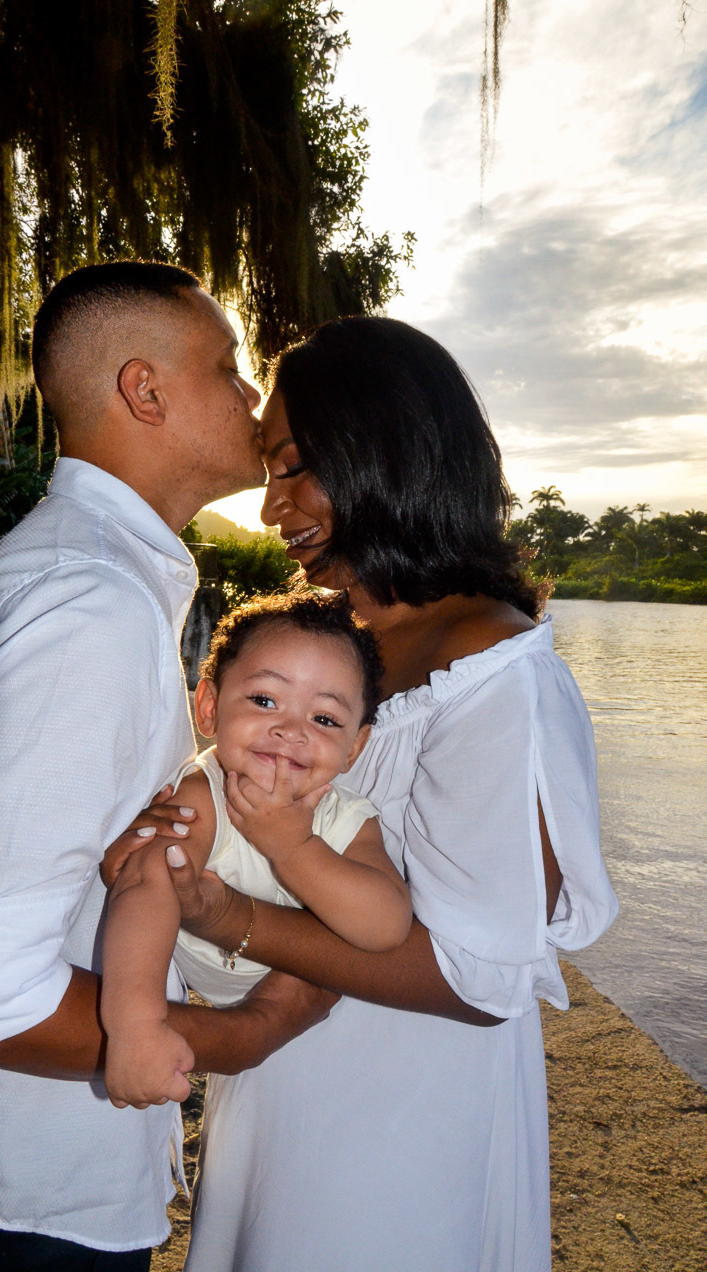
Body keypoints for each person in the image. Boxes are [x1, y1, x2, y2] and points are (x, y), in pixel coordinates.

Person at [0, 262, 334, 1270]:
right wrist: (232, 1037)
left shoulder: (96, 577)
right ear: (145, 390)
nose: (251, 396)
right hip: (10, 1200)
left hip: (18, 1181)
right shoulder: (90, 606)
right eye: (227, 365)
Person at [159, 317, 620, 1272]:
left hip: (399, 1129)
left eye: (293, 466)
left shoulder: (495, 673)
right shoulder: (334, 643)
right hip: (283, 1088)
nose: (272, 507)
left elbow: (478, 977)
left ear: (385, 450)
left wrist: (232, 918)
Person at [100, 590, 411, 1111]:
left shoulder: (347, 820)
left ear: (354, 748)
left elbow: (386, 926)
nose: (290, 731)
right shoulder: (204, 795)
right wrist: (135, 1027)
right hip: (220, 997)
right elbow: (144, 884)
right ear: (209, 707)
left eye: (325, 720)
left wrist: (293, 845)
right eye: (265, 700)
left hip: (319, 1006)